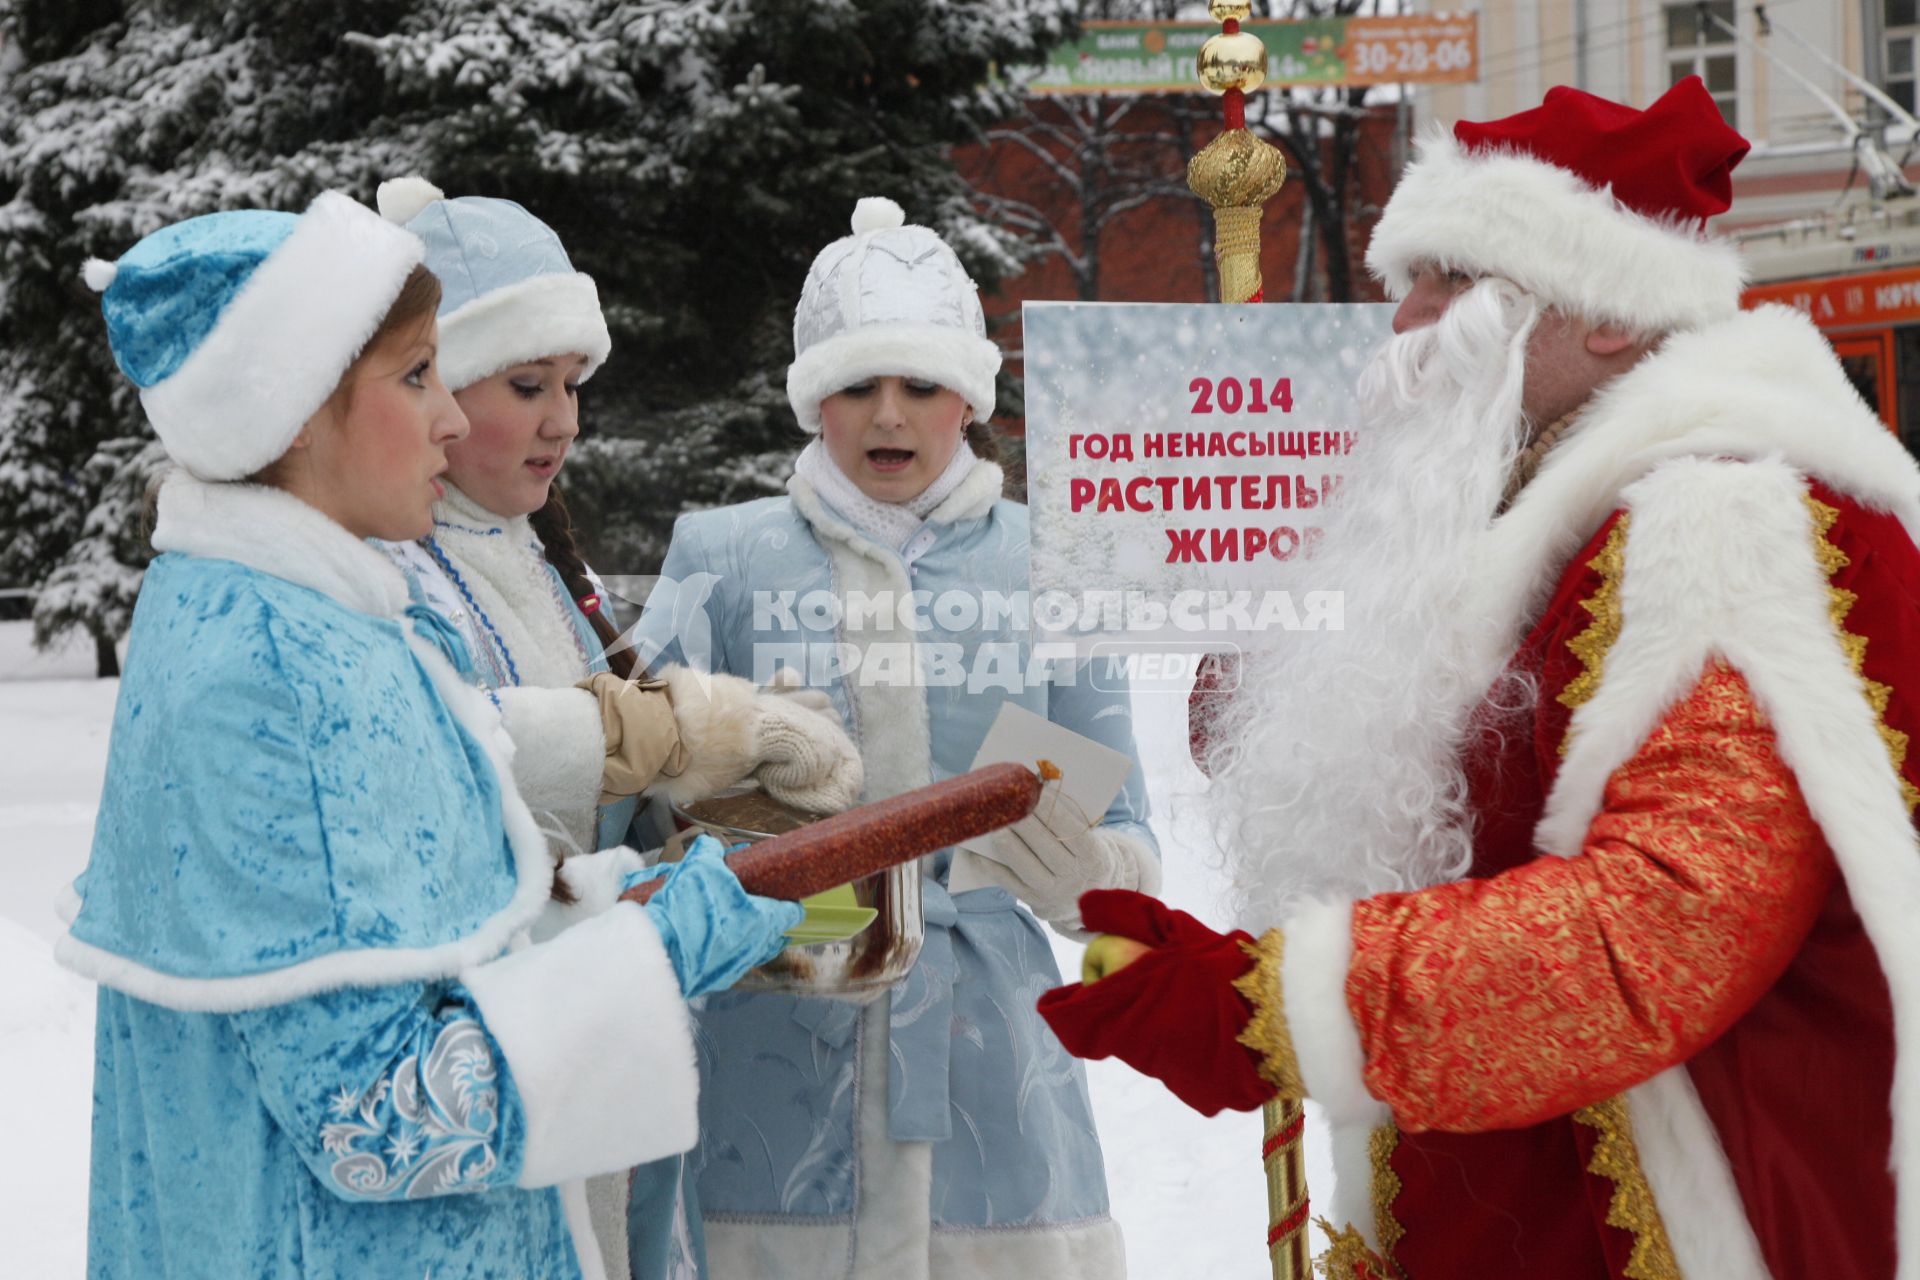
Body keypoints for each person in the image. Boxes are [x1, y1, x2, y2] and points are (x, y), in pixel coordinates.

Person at [1040, 78, 1920, 1278]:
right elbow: (1378, 756)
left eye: (1450, 275)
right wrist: (1282, 610)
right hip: (1483, 1194)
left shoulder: (1724, 516)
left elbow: (1656, 927)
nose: (1406, 319)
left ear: (1609, 308)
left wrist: (1259, 1004)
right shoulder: (1522, 505)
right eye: (1407, 278)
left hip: (1654, 1222)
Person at [59, 192, 803, 1279]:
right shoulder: (274, 673)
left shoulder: (290, 615)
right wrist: (658, 947)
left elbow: (414, 941)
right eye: (417, 376)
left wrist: (613, 909)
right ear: (296, 409)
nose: (450, 419)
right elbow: (381, 1111)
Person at [630, 197, 1161, 1278]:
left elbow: (1131, 839)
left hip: (991, 1056)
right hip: (773, 1058)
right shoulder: (719, 557)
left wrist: (1085, 869)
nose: (889, 413)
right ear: (811, 398)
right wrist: (739, 854)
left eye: (921, 384)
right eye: (856, 384)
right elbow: (634, 807)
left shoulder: (1059, 555)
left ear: (968, 395)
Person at [369, 176, 864, 1280]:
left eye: (574, 385)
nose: (564, 420)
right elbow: (454, 746)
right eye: (527, 383)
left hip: (601, 1033)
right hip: (496, 1052)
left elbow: (611, 787)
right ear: (430, 390)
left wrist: (737, 821)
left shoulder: (538, 555)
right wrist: (686, 726)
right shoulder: (384, 564)